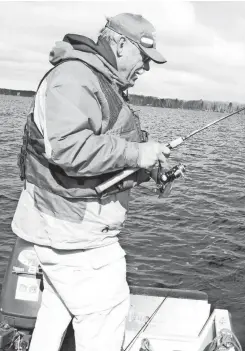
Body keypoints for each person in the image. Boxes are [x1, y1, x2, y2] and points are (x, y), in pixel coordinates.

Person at [11, 13, 170, 351]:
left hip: (68, 229)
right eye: (144, 58)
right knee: (105, 315)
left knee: (57, 310)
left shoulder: (99, 82)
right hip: (72, 232)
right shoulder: (73, 77)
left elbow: (99, 160)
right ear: (120, 43)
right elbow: (67, 148)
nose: (146, 68)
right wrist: (137, 154)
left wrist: (149, 168)